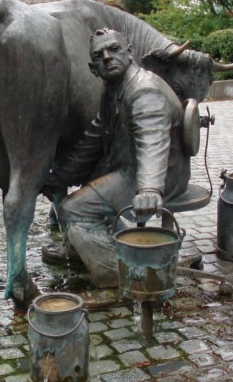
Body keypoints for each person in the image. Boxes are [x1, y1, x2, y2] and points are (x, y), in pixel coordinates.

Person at [42, 28, 190, 287]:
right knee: (86, 183)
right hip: (127, 165)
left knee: (72, 209)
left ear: (130, 52)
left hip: (158, 174)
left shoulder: (145, 92)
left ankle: (115, 275)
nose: (107, 57)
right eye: (99, 56)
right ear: (93, 68)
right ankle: (89, 247)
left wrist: (150, 188)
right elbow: (96, 135)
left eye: (114, 49)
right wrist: (62, 175)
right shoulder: (114, 88)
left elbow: (151, 142)